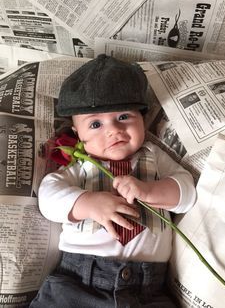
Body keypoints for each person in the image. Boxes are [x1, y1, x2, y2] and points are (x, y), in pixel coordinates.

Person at [30, 54, 196, 308]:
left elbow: (186, 191)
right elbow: (48, 195)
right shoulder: (81, 165)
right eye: (95, 124)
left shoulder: (154, 156)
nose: (113, 130)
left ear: (142, 117)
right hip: (79, 281)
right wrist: (88, 203)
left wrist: (151, 191)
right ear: (78, 134)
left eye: (123, 117)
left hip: (148, 288)